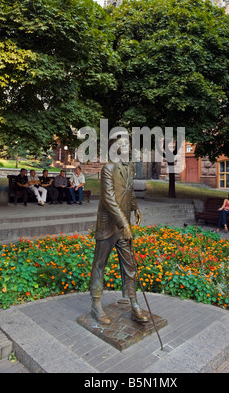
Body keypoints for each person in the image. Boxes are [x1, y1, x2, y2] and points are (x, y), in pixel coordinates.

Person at [89, 136, 148, 325]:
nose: (127, 147)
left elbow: (128, 192)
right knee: (100, 264)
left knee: (129, 266)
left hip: (124, 226)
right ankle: (96, 304)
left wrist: (135, 208)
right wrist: (124, 224)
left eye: (128, 144)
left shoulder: (129, 167)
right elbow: (109, 199)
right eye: (123, 145)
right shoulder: (108, 168)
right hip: (109, 225)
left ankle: (134, 305)